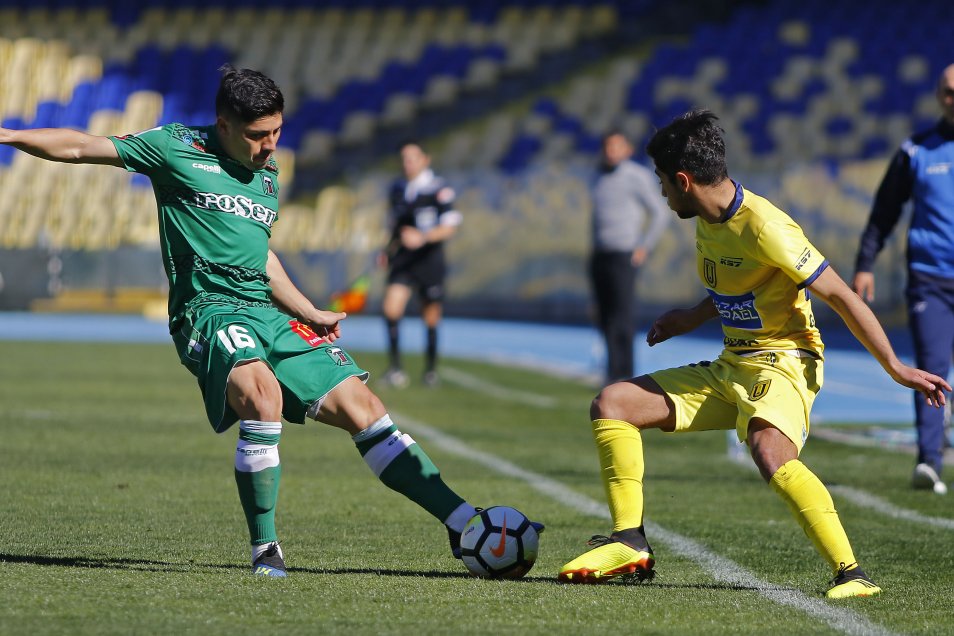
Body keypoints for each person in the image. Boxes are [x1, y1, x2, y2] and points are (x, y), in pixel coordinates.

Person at [0, 66, 493, 577]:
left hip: (266, 312)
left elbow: (260, 255)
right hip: (208, 311)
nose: (271, 146)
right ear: (224, 125)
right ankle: (266, 551)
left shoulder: (269, 173)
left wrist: (307, 310)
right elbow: (81, 146)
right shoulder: (173, 147)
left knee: (363, 406)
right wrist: (10, 135)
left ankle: (463, 524)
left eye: (277, 132)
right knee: (263, 396)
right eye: (259, 136)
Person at [558, 110, 950, 599]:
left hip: (784, 361)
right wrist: (693, 316)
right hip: (733, 364)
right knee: (612, 403)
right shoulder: (707, 214)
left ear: (684, 180)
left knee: (769, 451)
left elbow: (842, 295)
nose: (661, 192)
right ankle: (629, 541)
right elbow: (740, 282)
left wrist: (896, 367)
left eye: (662, 182)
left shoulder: (766, 227)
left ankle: (852, 574)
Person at [852, 63, 954, 496]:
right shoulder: (916, 150)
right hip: (930, 279)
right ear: (938, 95)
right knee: (930, 367)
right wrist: (865, 263)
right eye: (949, 91)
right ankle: (929, 461)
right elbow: (884, 212)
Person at [379, 140, 462, 388]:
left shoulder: (438, 189)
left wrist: (423, 237)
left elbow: (449, 227)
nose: (407, 164)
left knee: (431, 317)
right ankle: (395, 368)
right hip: (403, 260)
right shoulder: (397, 189)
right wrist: (386, 250)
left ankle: (430, 370)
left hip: (429, 261)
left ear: (426, 159)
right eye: (404, 159)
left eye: (413, 158)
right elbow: (396, 227)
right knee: (391, 310)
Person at [589, 130, 669, 383]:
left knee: (621, 317)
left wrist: (644, 246)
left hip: (624, 254)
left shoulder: (637, 177)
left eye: (616, 146)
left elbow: (659, 212)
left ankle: (623, 375)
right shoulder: (597, 176)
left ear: (627, 150)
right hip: (600, 253)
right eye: (606, 146)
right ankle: (610, 371)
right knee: (603, 315)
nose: (610, 151)